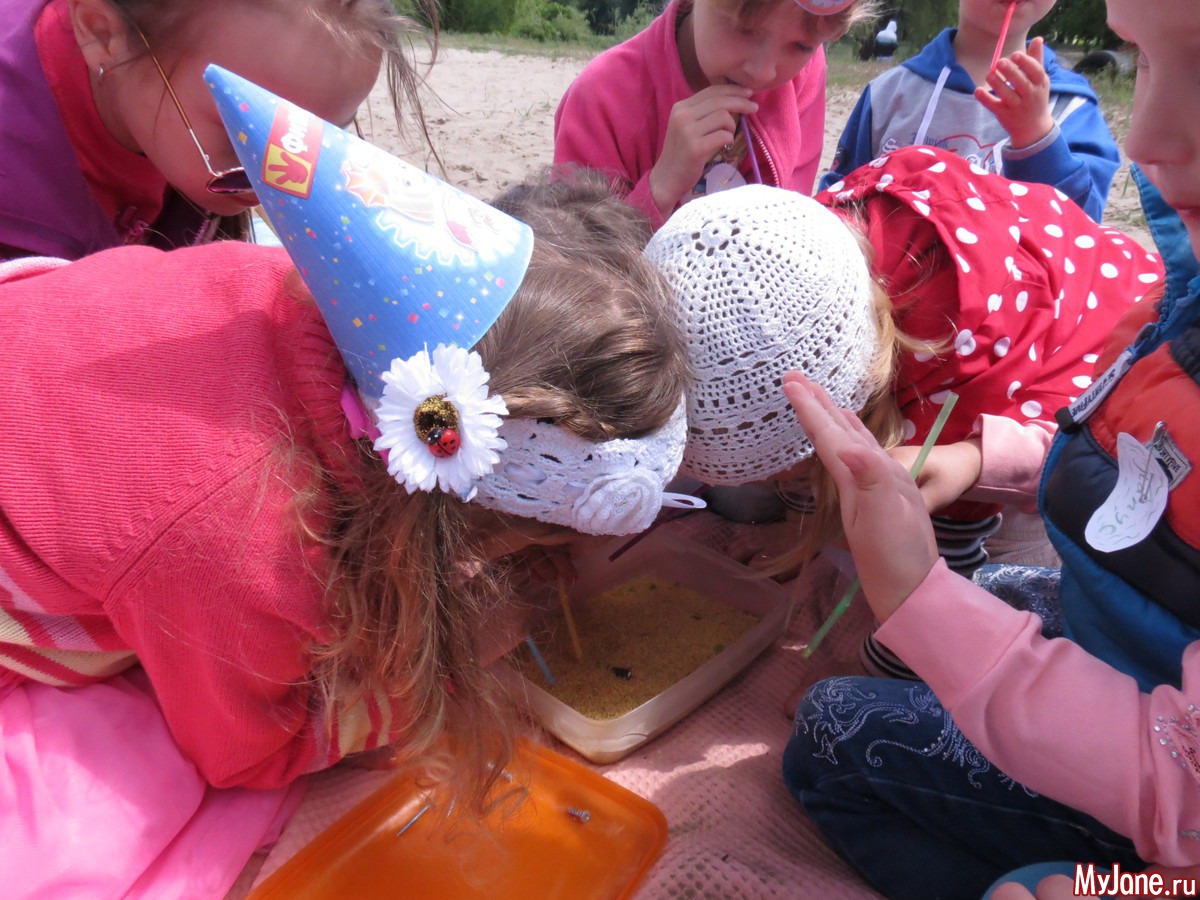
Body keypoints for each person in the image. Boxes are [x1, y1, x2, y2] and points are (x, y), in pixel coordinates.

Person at [0, 68, 692, 896]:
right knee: (133, 785)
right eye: (527, 550)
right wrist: (423, 681)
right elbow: (242, 754)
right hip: (32, 589)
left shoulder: (322, 302)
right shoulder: (249, 542)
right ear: (453, 516)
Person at [779, 0, 1200, 895]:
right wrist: (978, 462)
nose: (1147, 139)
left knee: (831, 730)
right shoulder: (1180, 287)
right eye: (1148, 61)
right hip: (1145, 635)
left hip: (1170, 798)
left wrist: (917, 596)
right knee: (993, 590)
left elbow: (1183, 791)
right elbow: (1125, 442)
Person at [646, 145, 1162, 674]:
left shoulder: (956, 386)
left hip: (1109, 404)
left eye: (781, 466)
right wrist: (800, 527)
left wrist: (878, 675)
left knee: (1021, 578)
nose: (771, 475)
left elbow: (938, 574)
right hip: (997, 298)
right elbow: (802, 439)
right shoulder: (789, 256)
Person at [0, 0, 435, 261]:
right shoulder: (15, 180)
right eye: (243, 131)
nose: (283, 176)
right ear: (102, 34)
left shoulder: (161, 92)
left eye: (321, 140)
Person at [552, 0, 876, 231]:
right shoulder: (600, 98)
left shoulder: (803, 76)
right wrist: (658, 191)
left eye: (801, 46)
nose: (763, 71)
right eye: (744, 30)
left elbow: (790, 219)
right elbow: (577, 261)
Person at [820, 0, 1120, 224]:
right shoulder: (888, 94)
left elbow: (1082, 228)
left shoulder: (1073, 108)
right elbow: (839, 200)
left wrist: (1036, 138)